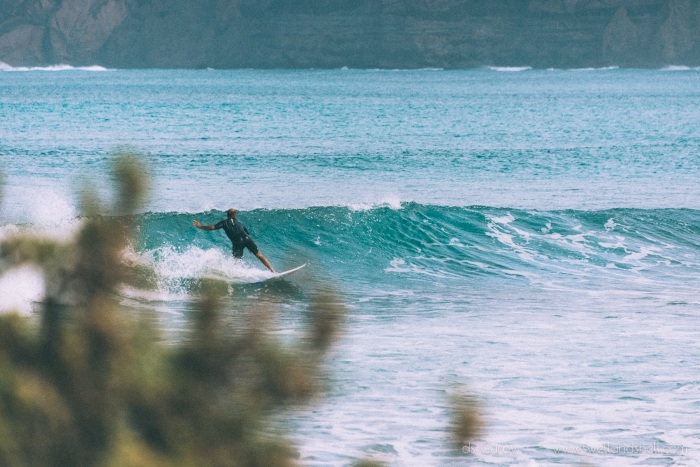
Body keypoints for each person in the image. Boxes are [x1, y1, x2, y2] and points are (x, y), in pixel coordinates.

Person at [193, 208, 275, 272]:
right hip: (247, 239)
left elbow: (213, 227)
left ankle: (238, 274)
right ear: (235, 215)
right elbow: (248, 234)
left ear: (227, 215)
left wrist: (200, 226)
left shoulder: (224, 222)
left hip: (237, 242)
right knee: (259, 255)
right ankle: (272, 271)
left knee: (236, 261)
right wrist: (249, 247)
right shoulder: (240, 223)